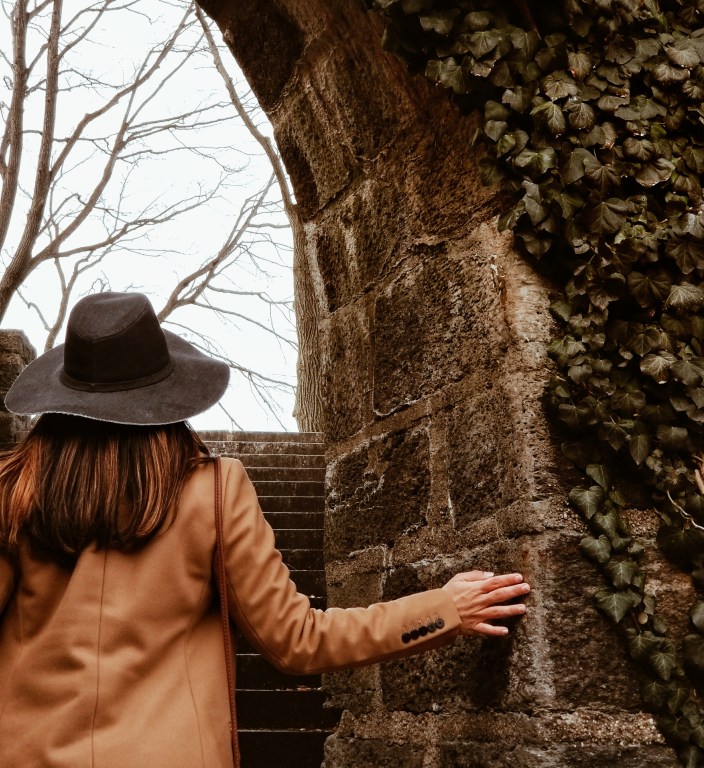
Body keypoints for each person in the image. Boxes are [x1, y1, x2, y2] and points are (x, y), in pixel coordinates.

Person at [0, 291, 530, 768]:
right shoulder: (212, 489)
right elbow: (296, 641)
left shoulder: (9, 492)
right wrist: (442, 610)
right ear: (166, 397)